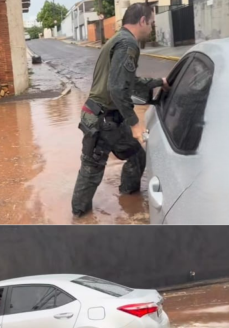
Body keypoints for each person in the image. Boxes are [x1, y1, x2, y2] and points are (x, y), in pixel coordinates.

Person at [70, 3, 170, 218]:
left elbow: (126, 82)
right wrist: (135, 123)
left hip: (106, 117)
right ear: (142, 21)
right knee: (91, 172)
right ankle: (78, 219)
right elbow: (117, 89)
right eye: (151, 23)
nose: (152, 27)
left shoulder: (118, 39)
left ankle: (128, 200)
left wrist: (157, 82)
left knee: (136, 155)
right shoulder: (128, 44)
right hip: (101, 120)